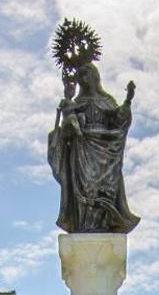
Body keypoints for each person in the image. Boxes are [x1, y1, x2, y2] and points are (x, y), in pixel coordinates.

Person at [48, 61, 139, 234]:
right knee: (85, 189)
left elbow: (119, 120)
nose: (84, 78)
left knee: (104, 191)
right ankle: (85, 225)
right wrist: (68, 101)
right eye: (81, 75)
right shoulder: (76, 102)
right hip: (82, 149)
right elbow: (66, 126)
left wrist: (128, 100)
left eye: (87, 74)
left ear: (95, 76)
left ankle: (103, 223)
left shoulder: (106, 100)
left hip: (105, 151)